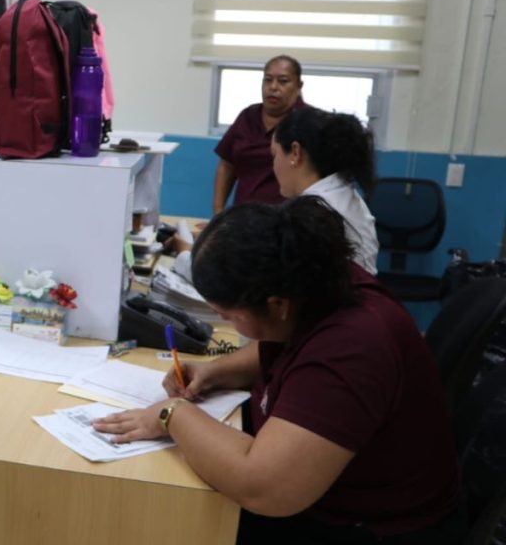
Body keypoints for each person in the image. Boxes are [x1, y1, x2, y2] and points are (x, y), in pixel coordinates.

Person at [94, 197, 465, 544]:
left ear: (277, 305)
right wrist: (216, 372)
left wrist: (171, 413)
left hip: (374, 527)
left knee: (168, 521)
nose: (229, 324)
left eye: (231, 316)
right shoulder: (318, 282)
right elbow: (285, 345)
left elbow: (265, 489)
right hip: (336, 498)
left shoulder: (353, 347)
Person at [272, 107, 379, 274]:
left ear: (295, 152)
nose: (274, 165)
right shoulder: (342, 193)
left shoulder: (314, 212)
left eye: (274, 155)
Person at [213, 55, 307, 214]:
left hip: (287, 221)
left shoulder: (308, 121)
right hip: (243, 218)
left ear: (298, 86)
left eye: (283, 81)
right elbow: (227, 164)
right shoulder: (247, 116)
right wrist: (218, 213)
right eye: (268, 80)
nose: (273, 87)